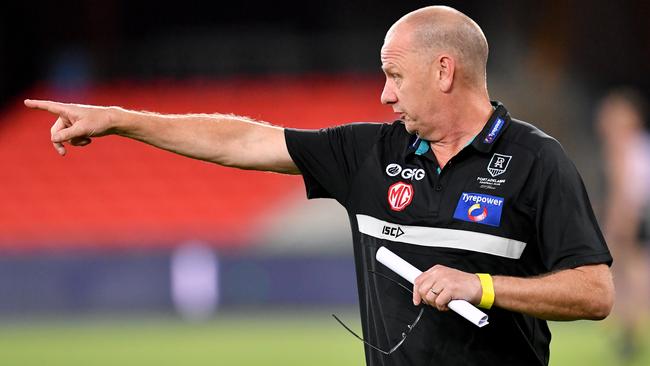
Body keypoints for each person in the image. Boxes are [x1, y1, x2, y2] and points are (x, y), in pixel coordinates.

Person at [25, 6, 613, 366]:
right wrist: (121, 120)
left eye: (393, 74)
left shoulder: (538, 161)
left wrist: (482, 286)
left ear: (443, 70)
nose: (384, 94)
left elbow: (594, 292)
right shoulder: (370, 153)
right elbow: (239, 139)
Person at [596, 88, 650, 363]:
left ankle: (628, 332)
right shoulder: (640, 143)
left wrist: (616, 227)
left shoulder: (621, 145)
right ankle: (631, 332)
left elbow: (623, 192)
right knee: (637, 275)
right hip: (640, 214)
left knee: (628, 277)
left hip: (633, 216)